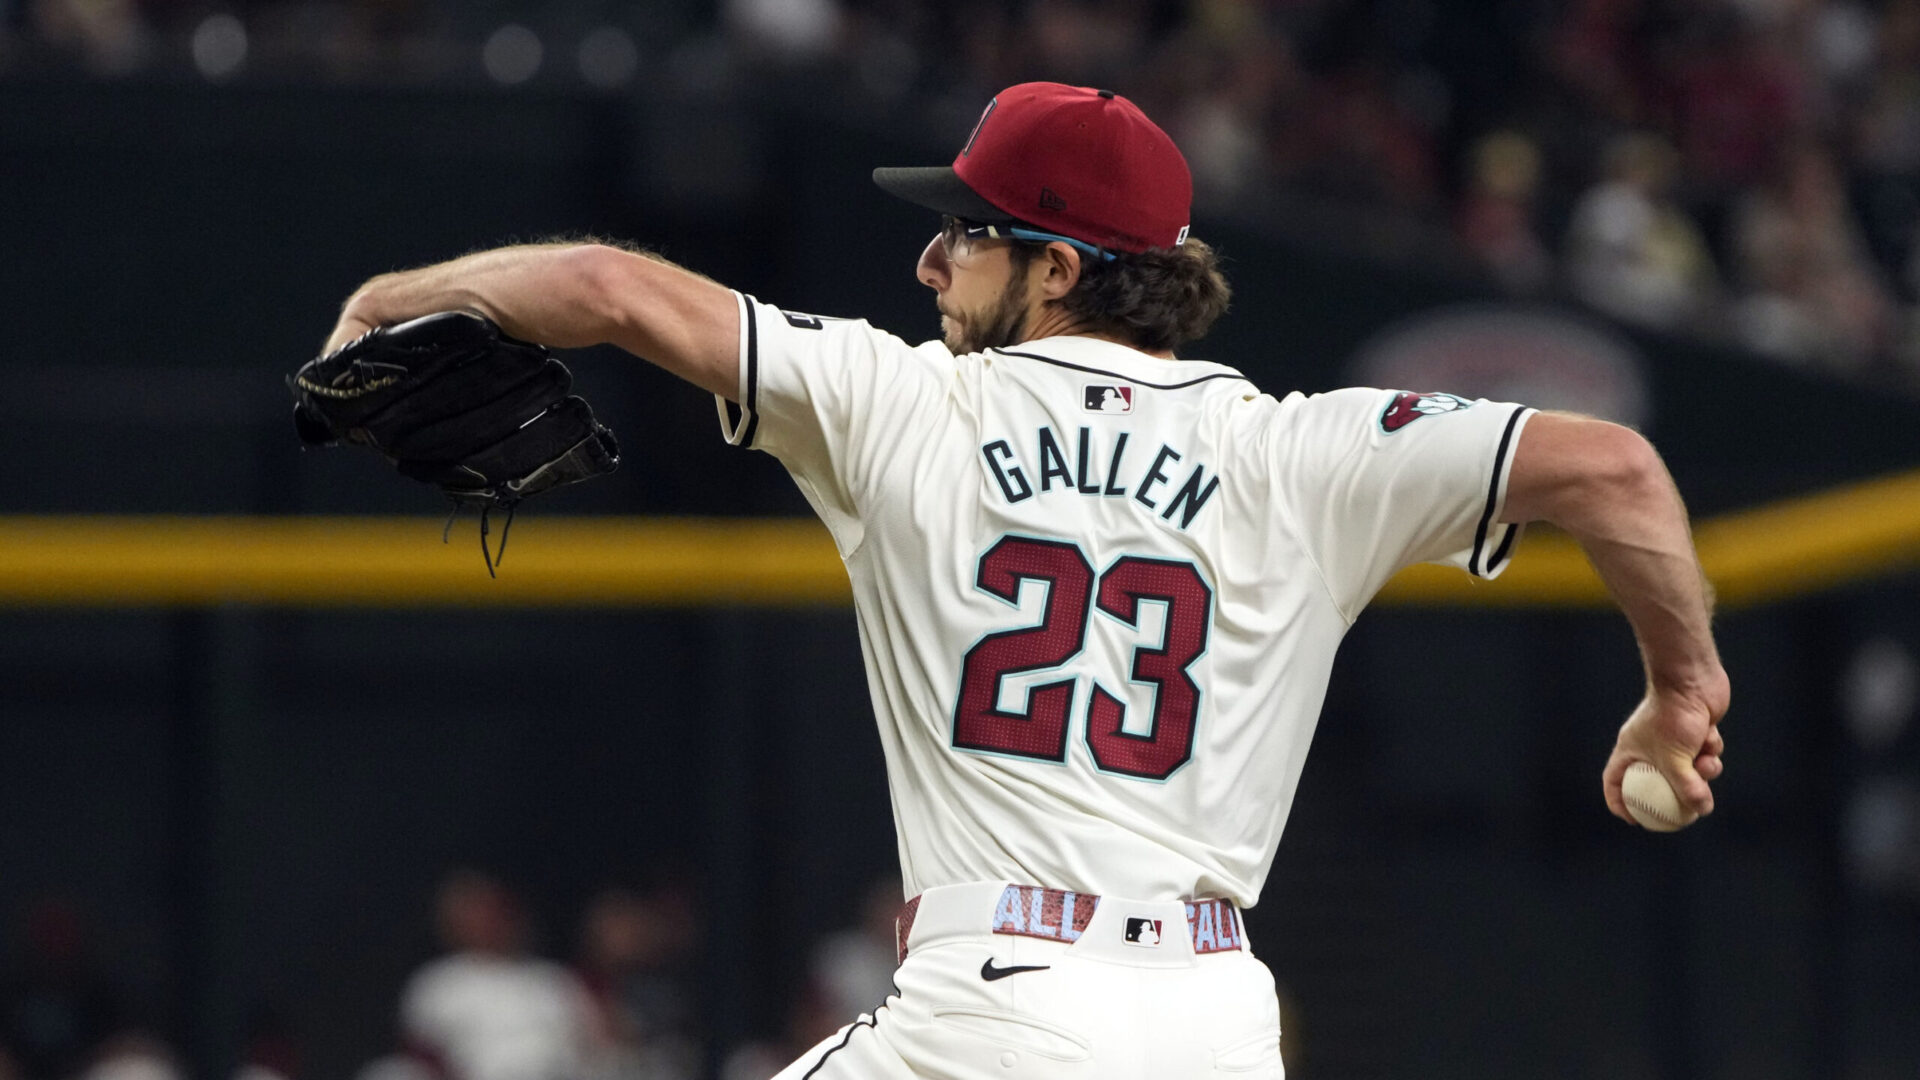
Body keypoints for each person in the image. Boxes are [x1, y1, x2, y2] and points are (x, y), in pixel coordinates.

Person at [321, 82, 1730, 1079]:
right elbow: (1614, 472)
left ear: (1058, 269)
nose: (932, 258)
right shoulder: (1301, 453)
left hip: (994, 1009)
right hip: (1213, 1025)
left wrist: (395, 298)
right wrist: (1683, 687)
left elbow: (609, 287)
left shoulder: (906, 402)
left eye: (970, 232)